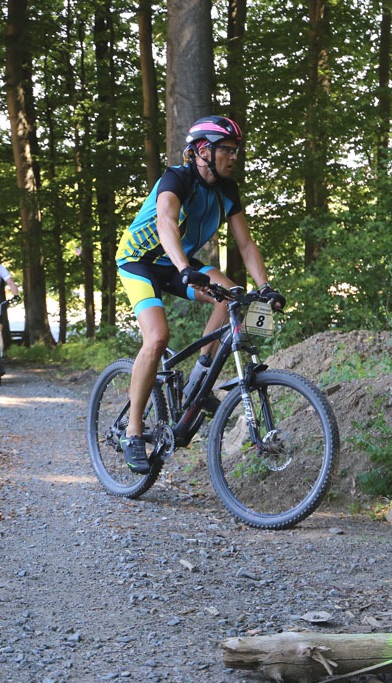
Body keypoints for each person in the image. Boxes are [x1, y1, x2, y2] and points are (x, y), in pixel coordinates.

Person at [115, 115, 286, 474]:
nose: (234, 156)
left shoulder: (227, 190)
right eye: (227, 150)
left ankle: (199, 379)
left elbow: (246, 243)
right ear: (203, 151)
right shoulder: (176, 178)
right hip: (139, 261)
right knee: (157, 337)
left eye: (236, 150)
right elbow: (166, 222)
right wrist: (183, 267)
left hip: (177, 264)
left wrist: (264, 286)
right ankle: (133, 432)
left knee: (234, 296)